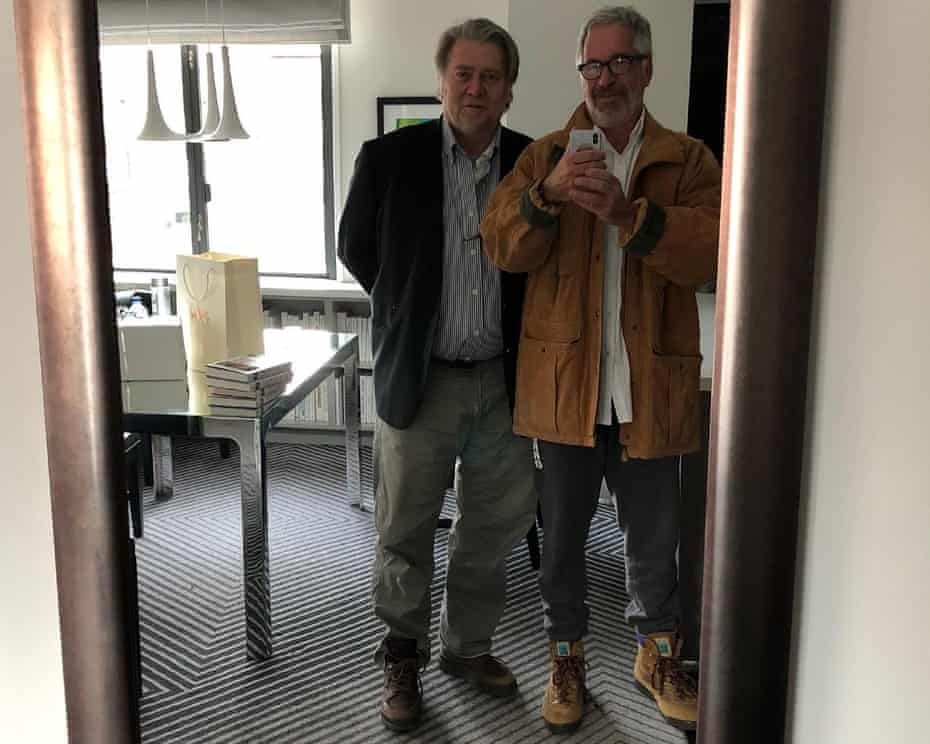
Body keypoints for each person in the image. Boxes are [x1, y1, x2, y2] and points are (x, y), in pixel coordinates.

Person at [480, 6, 721, 735]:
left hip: (648, 389)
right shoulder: (545, 156)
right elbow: (501, 246)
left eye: (620, 63)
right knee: (561, 543)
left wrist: (631, 215)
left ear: (647, 70)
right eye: (594, 64)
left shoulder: (688, 160)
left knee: (655, 543)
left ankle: (658, 658)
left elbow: (712, 255)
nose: (605, 78)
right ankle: (566, 659)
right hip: (565, 393)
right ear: (580, 71)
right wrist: (547, 195)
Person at [337, 18, 537, 733]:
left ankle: (466, 648)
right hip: (418, 380)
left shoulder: (533, 163)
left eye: (491, 77)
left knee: (493, 526)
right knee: (404, 526)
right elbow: (356, 248)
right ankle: (402, 656)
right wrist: (407, 311)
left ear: (509, 90)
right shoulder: (389, 158)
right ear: (442, 82)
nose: (476, 88)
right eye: (464, 74)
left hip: (505, 382)